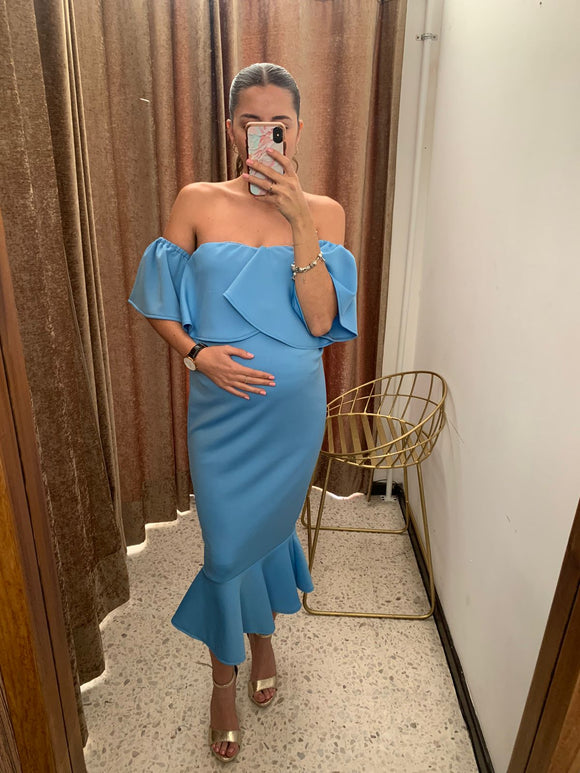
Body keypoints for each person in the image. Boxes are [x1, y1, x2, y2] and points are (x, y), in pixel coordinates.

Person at [128, 62, 358, 763]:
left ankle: (262, 643)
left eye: (278, 123)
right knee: (225, 548)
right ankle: (221, 683)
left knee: (268, 534)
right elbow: (158, 303)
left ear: (297, 129)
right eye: (252, 122)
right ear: (232, 130)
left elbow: (320, 323)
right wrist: (198, 354)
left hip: (292, 416)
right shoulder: (197, 201)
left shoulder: (325, 213)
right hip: (221, 414)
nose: (266, 133)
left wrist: (298, 222)